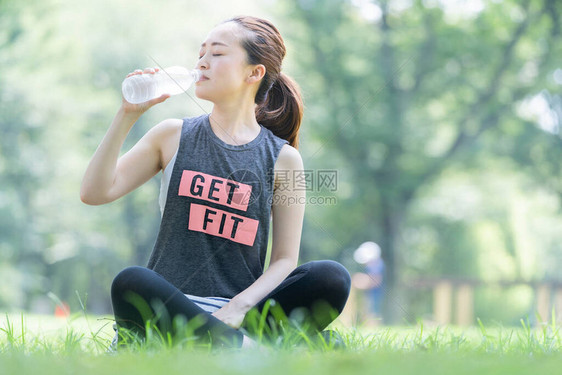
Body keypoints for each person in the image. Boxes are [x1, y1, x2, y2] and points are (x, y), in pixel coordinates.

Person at [80, 16, 351, 349]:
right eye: (201, 53)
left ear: (254, 73)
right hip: (169, 309)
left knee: (330, 277)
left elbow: (284, 260)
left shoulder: (284, 160)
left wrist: (236, 309)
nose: (202, 62)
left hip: (239, 315)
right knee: (131, 282)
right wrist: (127, 115)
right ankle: (254, 351)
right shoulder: (172, 135)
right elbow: (94, 192)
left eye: (218, 53)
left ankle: (218, 344)